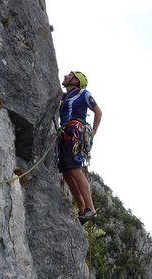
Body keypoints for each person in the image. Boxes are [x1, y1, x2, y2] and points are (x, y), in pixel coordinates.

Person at [58, 71, 102, 225]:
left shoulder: (83, 93)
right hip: (64, 134)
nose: (65, 76)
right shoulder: (64, 97)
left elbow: (98, 111)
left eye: (70, 75)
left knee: (75, 169)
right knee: (67, 172)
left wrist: (93, 132)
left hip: (75, 133)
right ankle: (83, 209)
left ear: (76, 81)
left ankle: (91, 208)